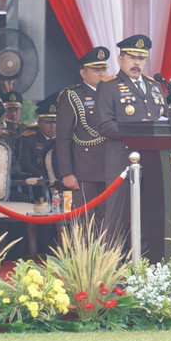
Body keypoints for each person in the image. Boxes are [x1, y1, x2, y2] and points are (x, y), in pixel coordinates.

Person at [96, 34, 166, 253]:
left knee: (149, 213)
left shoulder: (155, 87)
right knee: (116, 214)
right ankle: (110, 265)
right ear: (120, 59)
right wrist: (137, 131)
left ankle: (146, 263)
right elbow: (105, 124)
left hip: (152, 160)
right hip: (121, 159)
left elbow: (164, 120)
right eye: (132, 58)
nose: (137, 63)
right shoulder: (109, 86)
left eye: (142, 58)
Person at [56, 47, 109, 225]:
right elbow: (63, 138)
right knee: (84, 221)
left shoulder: (113, 94)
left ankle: (108, 254)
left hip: (110, 167)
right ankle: (84, 254)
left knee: (108, 220)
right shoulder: (72, 96)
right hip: (84, 170)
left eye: (104, 69)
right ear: (83, 73)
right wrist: (67, 173)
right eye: (96, 70)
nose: (102, 74)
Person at [19, 96, 57, 178]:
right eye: (48, 122)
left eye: (56, 122)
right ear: (39, 122)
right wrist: (45, 176)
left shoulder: (65, 141)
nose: (53, 126)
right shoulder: (29, 139)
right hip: (38, 183)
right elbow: (26, 164)